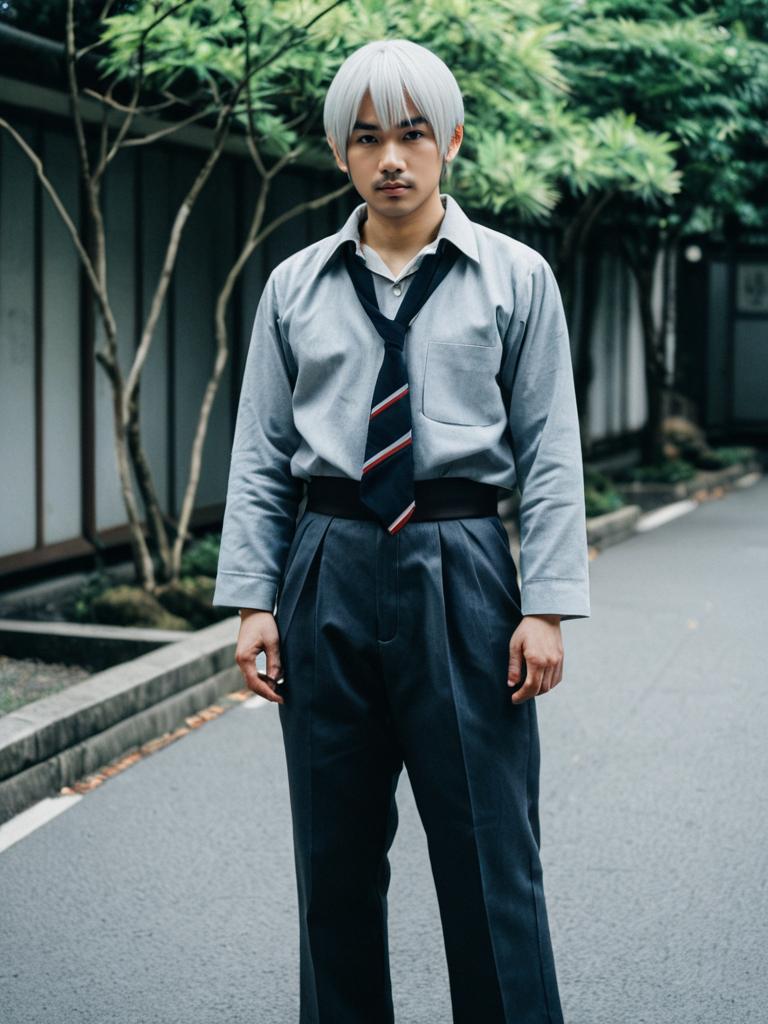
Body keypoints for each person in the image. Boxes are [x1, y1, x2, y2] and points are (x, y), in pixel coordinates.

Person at [213, 37, 590, 1024]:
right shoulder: (295, 286)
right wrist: (254, 600)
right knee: (333, 861)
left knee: (489, 855)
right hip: (327, 561)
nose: (391, 158)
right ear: (341, 153)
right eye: (368, 137)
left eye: (413, 134)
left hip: (463, 563)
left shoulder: (516, 279)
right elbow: (259, 450)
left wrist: (545, 605)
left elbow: (551, 447)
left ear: (451, 140)